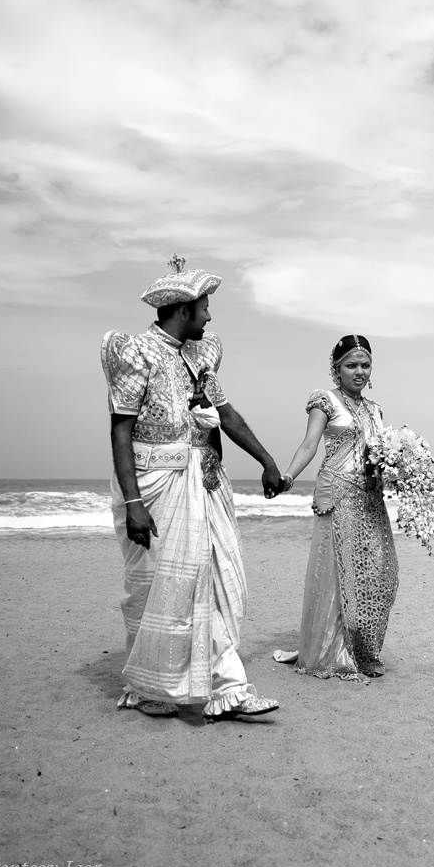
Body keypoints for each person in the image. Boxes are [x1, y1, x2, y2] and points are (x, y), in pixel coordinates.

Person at [101, 254, 282, 718]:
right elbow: (120, 430)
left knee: (218, 580)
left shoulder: (202, 353)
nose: (209, 315)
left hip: (204, 485)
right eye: (204, 307)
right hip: (155, 486)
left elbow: (226, 414)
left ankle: (226, 690)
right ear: (183, 309)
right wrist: (135, 502)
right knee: (156, 588)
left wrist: (266, 460)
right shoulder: (135, 353)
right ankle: (153, 688)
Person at [276, 335, 399, 680]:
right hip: (337, 494)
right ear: (336, 369)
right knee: (336, 573)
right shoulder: (325, 401)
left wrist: (399, 470)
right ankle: (332, 651)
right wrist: (287, 476)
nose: (359, 371)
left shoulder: (376, 410)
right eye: (351, 365)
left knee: (380, 571)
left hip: (370, 497)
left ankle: (364, 649)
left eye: (365, 365)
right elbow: (309, 445)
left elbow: (379, 455)